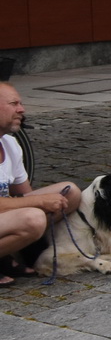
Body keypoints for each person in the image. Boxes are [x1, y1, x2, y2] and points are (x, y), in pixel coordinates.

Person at [0, 82, 80, 286]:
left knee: (70, 192)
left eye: (21, 103)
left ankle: (20, 250)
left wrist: (43, 202)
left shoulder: (9, 143)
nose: (22, 109)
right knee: (33, 218)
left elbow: (25, 195)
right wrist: (41, 202)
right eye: (14, 104)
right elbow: (32, 204)